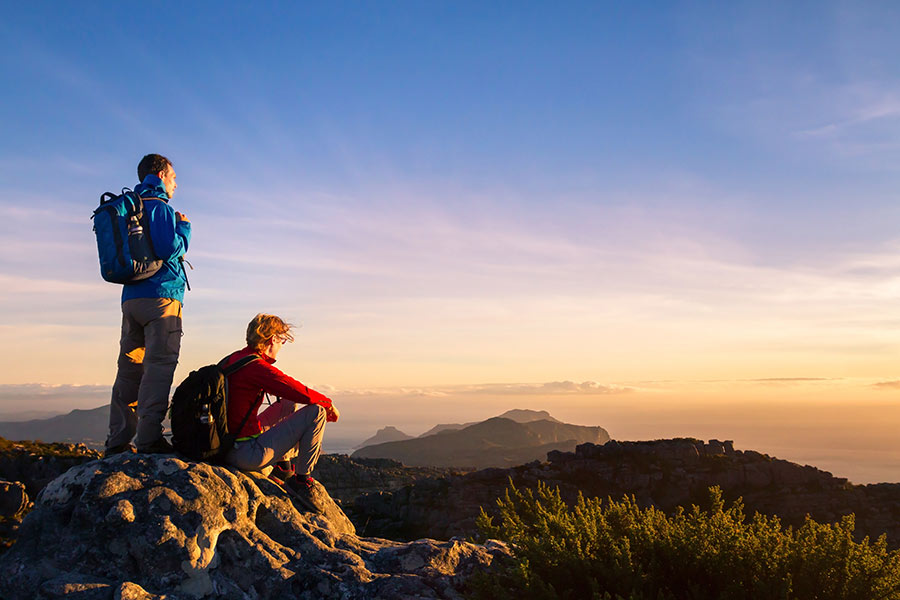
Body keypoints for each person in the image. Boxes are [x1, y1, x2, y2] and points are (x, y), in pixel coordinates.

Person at [104, 154, 191, 456]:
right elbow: (170, 248)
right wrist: (184, 229)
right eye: (174, 178)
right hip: (162, 298)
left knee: (128, 369)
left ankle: (117, 441)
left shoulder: (129, 209)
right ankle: (149, 438)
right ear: (162, 174)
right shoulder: (159, 207)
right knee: (158, 367)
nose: (176, 185)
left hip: (131, 299)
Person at [222, 313, 339, 512]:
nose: (281, 345)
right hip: (244, 454)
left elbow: (290, 395)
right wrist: (328, 404)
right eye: (282, 340)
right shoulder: (256, 366)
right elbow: (296, 389)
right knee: (317, 411)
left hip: (226, 443)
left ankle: (283, 468)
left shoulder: (234, 359)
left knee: (288, 404)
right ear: (273, 339)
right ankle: (301, 481)